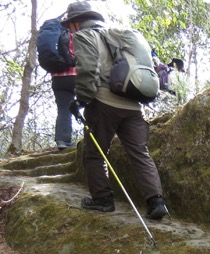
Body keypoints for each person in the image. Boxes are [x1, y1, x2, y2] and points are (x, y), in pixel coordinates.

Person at [61, 1, 168, 220]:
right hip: (134, 105)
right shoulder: (118, 36)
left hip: (104, 104)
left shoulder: (85, 36)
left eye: (70, 25)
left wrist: (81, 100)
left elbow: (88, 70)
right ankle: (156, 201)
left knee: (94, 153)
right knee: (140, 154)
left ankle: (103, 200)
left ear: (76, 23)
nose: (70, 30)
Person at [51, 37, 77, 150]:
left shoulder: (55, 36)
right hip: (77, 74)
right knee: (91, 105)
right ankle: (94, 137)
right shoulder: (78, 35)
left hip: (58, 78)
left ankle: (62, 140)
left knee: (63, 109)